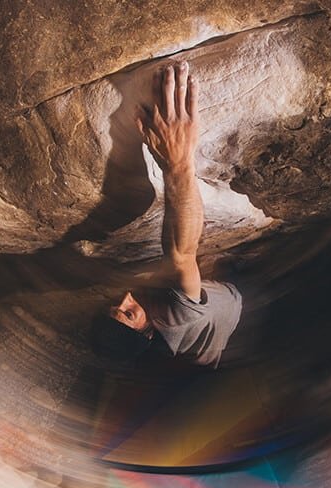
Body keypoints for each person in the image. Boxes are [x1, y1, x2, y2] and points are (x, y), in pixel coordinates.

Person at [91, 61, 242, 368]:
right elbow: (182, 254)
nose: (125, 298)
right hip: (237, 304)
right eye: (129, 312)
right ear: (147, 332)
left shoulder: (160, 327)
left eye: (115, 305)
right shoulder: (176, 316)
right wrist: (179, 160)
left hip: (208, 340)